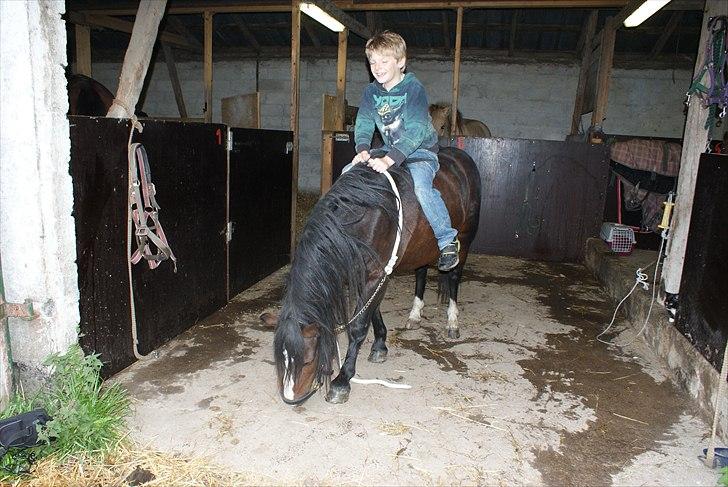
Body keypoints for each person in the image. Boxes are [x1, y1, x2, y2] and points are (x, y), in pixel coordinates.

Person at [348, 30, 460, 272]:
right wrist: (363, 149)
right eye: (372, 62)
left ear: (401, 62)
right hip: (389, 148)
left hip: (420, 151)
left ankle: (447, 240)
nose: (377, 67)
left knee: (422, 187)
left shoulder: (413, 89)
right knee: (349, 171)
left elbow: (418, 130)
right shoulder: (371, 92)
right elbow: (365, 122)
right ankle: (345, 231)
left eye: (384, 61)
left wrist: (390, 160)